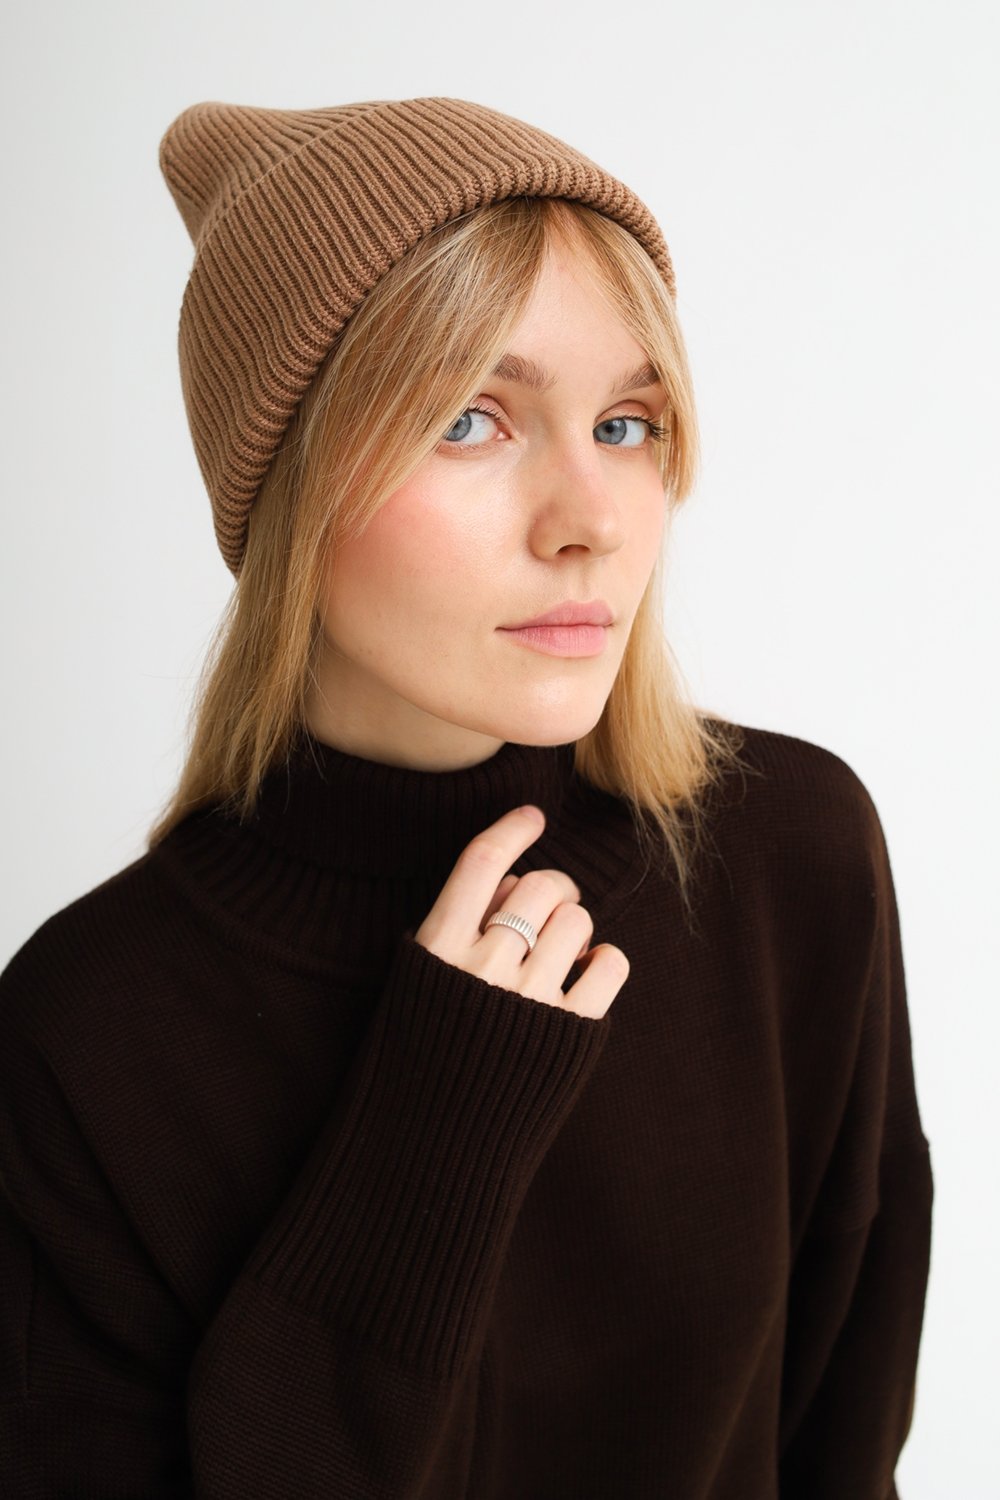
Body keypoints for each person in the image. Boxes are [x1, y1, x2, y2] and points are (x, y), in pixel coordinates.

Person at [0, 96, 933, 1498]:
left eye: (626, 423)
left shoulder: (789, 858)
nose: (593, 519)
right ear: (286, 488)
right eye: (469, 420)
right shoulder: (91, 1030)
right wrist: (434, 1135)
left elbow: (844, 1450)